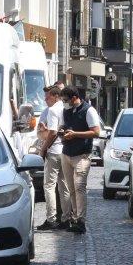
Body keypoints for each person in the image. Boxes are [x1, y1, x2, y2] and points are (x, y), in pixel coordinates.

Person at [59, 86, 103, 234]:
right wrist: (62, 132)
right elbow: (64, 127)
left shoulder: (88, 110)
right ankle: (75, 219)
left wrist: (75, 134)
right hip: (66, 154)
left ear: (74, 98)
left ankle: (81, 221)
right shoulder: (66, 110)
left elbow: (96, 132)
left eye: (65, 100)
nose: (64, 103)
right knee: (71, 189)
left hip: (82, 155)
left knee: (79, 187)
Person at [34, 86, 69, 231]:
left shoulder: (53, 110)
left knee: (49, 186)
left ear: (55, 96)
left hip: (54, 152)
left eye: (47, 97)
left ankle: (51, 218)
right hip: (65, 151)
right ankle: (66, 218)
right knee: (64, 186)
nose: (45, 99)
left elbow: (53, 132)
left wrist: (43, 149)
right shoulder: (66, 109)